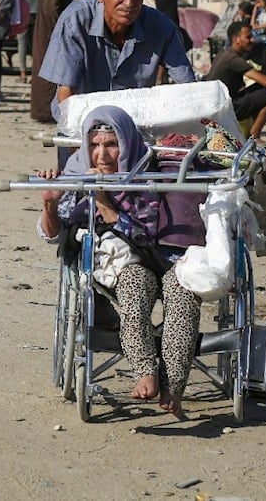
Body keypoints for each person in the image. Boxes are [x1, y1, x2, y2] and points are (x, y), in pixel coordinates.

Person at [37, 105, 201, 417]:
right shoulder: (76, 173)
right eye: (94, 145)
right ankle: (145, 370)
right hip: (122, 264)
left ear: (125, 144)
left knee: (183, 295)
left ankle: (174, 387)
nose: (101, 155)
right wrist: (50, 204)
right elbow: (53, 234)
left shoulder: (151, 174)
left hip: (166, 256)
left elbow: (147, 232)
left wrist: (105, 202)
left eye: (111, 145)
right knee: (134, 287)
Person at [38, 0, 196, 122]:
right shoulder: (75, 21)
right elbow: (66, 93)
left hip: (136, 128)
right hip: (80, 124)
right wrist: (79, 141)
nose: (129, 3)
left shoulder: (162, 28)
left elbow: (188, 88)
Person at [205, 20, 266, 139]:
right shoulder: (233, 59)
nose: (252, 40)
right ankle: (254, 137)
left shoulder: (225, 53)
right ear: (236, 39)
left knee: (264, 89)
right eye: (248, 37)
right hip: (224, 109)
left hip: (219, 105)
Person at [30, 0, 77, 123]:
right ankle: (45, 112)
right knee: (49, 76)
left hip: (53, 35)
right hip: (50, 36)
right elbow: (52, 12)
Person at [8, 0, 46, 83]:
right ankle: (36, 73)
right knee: (37, 43)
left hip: (22, 12)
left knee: (22, 42)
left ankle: (23, 73)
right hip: (38, 11)